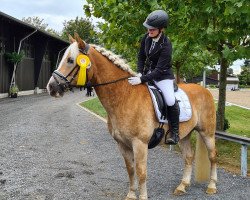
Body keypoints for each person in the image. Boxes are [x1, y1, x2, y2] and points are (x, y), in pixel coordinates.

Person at [128, 10, 179, 145]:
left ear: (161, 29)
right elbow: (141, 56)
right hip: (147, 73)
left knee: (169, 100)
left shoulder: (166, 45)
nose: (149, 31)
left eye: (152, 29)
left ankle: (174, 132)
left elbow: (159, 70)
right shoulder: (146, 38)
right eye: (148, 28)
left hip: (163, 76)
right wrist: (139, 72)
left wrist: (142, 79)